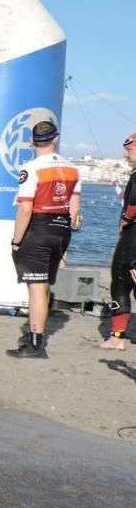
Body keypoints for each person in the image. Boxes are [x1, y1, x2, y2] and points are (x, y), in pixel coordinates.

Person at [6, 120, 81, 359]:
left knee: (36, 288)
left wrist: (16, 241)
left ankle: (36, 343)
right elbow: (75, 211)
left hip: (38, 228)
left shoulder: (31, 168)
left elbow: (25, 209)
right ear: (55, 139)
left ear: (32, 141)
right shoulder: (73, 169)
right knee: (44, 285)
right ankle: (32, 335)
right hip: (61, 230)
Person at [101, 133, 136, 350]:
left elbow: (133, 204)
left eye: (129, 150)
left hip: (133, 236)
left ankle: (117, 337)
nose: (125, 155)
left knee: (121, 280)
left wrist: (126, 219)